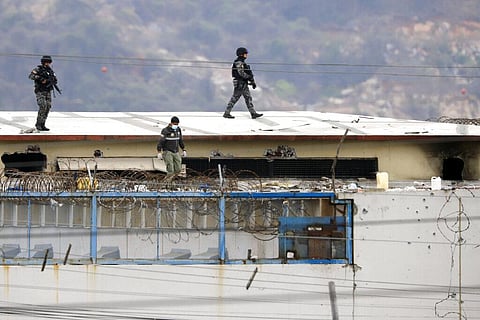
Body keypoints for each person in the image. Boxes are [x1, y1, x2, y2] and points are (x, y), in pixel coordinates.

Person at [223, 47, 263, 119]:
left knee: (247, 98)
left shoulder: (242, 63)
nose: (246, 55)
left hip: (243, 83)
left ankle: (253, 113)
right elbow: (241, 73)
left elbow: (245, 73)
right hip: (240, 83)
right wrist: (249, 77)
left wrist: (252, 81)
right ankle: (227, 113)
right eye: (245, 54)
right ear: (241, 54)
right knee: (235, 98)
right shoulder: (239, 62)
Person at [28, 55, 61, 131]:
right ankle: (38, 124)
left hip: (48, 91)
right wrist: (40, 78)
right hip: (40, 90)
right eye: (46, 62)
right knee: (43, 106)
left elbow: (55, 79)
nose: (48, 64)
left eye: (49, 62)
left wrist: (52, 81)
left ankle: (43, 124)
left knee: (48, 107)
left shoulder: (50, 71)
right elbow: (31, 76)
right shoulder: (38, 69)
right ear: (43, 62)